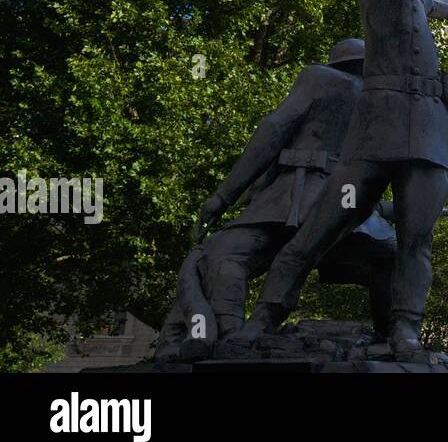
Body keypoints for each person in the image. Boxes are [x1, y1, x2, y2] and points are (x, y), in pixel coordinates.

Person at [233, 0, 448, 359]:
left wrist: (438, 4)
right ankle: (264, 316)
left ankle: (405, 330)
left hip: (427, 127)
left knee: (416, 239)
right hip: (382, 125)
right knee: (323, 225)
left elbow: (431, 3)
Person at [155, 39, 397, 362]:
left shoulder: (319, 77)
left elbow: (273, 129)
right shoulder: (380, 101)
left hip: (289, 201)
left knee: (221, 255)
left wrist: (222, 197)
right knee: (392, 257)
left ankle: (229, 336)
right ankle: (394, 340)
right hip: (339, 208)